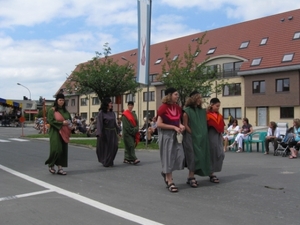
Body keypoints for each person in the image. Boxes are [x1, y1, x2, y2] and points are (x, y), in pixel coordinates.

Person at [157, 87, 185, 193]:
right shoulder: (163, 108)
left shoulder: (177, 107)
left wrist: (180, 125)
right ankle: (170, 181)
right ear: (169, 95)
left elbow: (177, 121)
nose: (177, 96)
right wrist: (173, 127)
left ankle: (166, 172)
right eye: (175, 94)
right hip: (166, 135)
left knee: (179, 156)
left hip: (176, 135)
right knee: (168, 157)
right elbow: (159, 124)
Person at [182, 91, 211, 188]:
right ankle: (191, 177)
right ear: (193, 98)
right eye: (198, 98)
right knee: (193, 157)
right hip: (191, 137)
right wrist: (193, 134)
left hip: (201, 138)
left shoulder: (202, 111)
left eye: (200, 98)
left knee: (201, 155)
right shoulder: (186, 111)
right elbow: (185, 125)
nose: (200, 100)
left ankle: (208, 173)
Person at [45, 93, 72, 175]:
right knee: (56, 149)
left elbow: (69, 120)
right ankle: (51, 165)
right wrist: (61, 123)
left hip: (65, 132)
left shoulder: (65, 111)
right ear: (56, 101)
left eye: (63, 100)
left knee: (63, 150)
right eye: (60, 100)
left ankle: (60, 168)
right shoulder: (52, 110)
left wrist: (70, 124)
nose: (61, 102)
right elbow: (51, 121)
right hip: (55, 132)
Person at [96, 98, 120, 167]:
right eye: (110, 103)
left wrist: (118, 131)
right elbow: (99, 123)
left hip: (112, 132)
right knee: (106, 147)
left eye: (111, 103)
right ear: (106, 104)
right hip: (105, 132)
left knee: (114, 146)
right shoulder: (101, 113)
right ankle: (106, 161)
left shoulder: (112, 113)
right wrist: (99, 133)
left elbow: (114, 123)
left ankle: (110, 160)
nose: (111, 104)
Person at [206, 98, 225, 183]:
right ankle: (211, 173)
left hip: (217, 136)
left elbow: (221, 126)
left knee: (220, 154)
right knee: (212, 154)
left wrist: (221, 135)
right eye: (216, 106)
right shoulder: (207, 114)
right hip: (210, 135)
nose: (218, 107)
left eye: (219, 106)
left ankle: (212, 171)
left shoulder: (219, 115)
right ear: (211, 105)